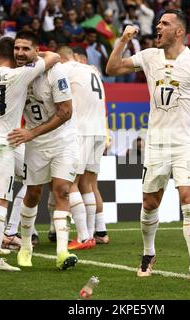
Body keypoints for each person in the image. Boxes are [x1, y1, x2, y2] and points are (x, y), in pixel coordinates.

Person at [106, 10, 190, 285]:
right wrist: (122, 40)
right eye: (158, 23)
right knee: (150, 202)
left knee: (189, 196)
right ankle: (148, 253)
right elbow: (112, 69)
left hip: (186, 141)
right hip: (157, 141)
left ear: (179, 31)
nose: (158, 27)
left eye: (164, 24)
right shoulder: (149, 56)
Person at [0, 36, 59, 271]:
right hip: (1, 145)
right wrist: (34, 56)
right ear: (12, 55)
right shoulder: (19, 75)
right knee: (0, 199)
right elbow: (55, 57)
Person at [5, 31, 78, 270]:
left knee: (62, 190)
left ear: (37, 50)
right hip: (35, 145)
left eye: (26, 48)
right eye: (17, 48)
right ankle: (25, 246)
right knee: (33, 194)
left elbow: (66, 112)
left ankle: (62, 252)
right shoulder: (16, 75)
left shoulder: (55, 72)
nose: (20, 53)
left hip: (62, 140)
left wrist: (31, 133)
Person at [58, 46, 108, 249]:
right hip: (99, 131)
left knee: (70, 182)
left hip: (81, 131)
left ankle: (83, 236)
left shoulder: (67, 68)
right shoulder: (93, 71)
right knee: (88, 184)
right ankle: (97, 232)